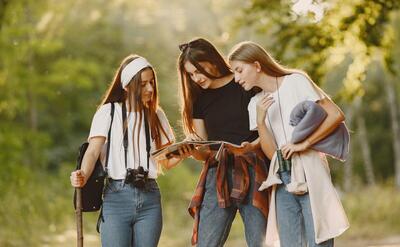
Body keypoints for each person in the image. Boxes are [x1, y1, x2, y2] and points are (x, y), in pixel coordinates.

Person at [228, 41, 349, 247]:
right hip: (281, 177)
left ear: (257, 65)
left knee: (318, 240)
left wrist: (305, 143)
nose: (236, 78)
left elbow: (336, 114)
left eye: (239, 70)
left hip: (310, 169)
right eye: (234, 72)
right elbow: (270, 152)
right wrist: (260, 120)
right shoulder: (254, 103)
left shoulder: (296, 81)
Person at [70, 54, 190, 247]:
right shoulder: (108, 112)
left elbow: (165, 161)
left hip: (150, 197)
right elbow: (92, 152)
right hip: (117, 196)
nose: (150, 88)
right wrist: (82, 174)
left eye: (152, 82)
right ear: (126, 86)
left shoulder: (156, 115)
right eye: (143, 84)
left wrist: (184, 152)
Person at [177, 38, 270, 247]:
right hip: (217, 172)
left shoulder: (243, 83)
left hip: (254, 168)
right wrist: (193, 150)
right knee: (206, 243)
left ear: (212, 60)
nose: (196, 78)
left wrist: (252, 146)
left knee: (261, 242)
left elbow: (267, 128)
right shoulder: (198, 99)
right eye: (191, 74)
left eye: (198, 70)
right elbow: (205, 151)